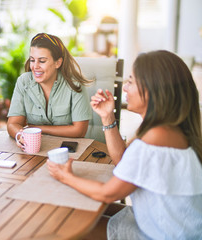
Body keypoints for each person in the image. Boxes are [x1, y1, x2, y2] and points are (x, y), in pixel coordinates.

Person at [48, 50, 202, 239]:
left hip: (161, 235)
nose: (125, 88)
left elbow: (107, 194)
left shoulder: (156, 137)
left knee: (66, 225)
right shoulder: (170, 131)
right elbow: (123, 161)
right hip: (160, 225)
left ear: (152, 89)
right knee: (82, 210)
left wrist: (65, 176)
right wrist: (107, 117)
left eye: (131, 81)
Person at [7, 33, 92, 142]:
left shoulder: (74, 85)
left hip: (68, 150)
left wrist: (37, 129)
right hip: (33, 151)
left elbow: (79, 130)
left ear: (58, 63)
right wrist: (21, 136)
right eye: (32, 60)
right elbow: (13, 124)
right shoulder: (23, 82)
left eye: (42, 61)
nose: (35, 66)